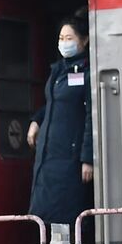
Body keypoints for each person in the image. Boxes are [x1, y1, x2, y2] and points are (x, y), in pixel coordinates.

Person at [26, 15, 96, 228]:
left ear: (83, 41)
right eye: (61, 38)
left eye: (69, 38)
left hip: (70, 158)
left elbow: (91, 116)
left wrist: (87, 158)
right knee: (45, 217)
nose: (64, 43)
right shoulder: (59, 71)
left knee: (67, 216)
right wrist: (36, 120)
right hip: (49, 155)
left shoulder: (87, 72)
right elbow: (55, 103)